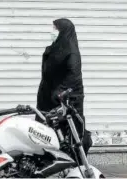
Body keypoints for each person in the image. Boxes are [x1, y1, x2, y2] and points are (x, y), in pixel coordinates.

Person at [37, 18, 92, 155]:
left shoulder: (71, 52)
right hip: (48, 99)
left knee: (69, 135)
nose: (53, 32)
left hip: (65, 100)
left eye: (56, 29)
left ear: (64, 31)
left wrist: (60, 93)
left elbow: (74, 77)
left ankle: (74, 163)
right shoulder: (55, 48)